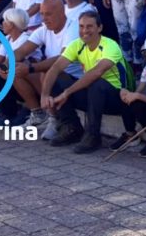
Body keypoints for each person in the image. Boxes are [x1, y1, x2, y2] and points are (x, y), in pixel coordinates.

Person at [41, 10, 137, 153]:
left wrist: (67, 93)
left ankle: (93, 136)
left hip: (119, 98)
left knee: (97, 83)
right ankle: (72, 128)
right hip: (94, 96)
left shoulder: (110, 45)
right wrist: (44, 95)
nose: (85, 31)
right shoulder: (77, 45)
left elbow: (96, 72)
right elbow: (55, 67)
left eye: (89, 26)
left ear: (99, 28)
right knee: (59, 78)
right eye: (81, 26)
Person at [9, 0, 81, 137]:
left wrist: (31, 68)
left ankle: (54, 119)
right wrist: (7, 65)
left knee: (44, 71)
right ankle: (38, 114)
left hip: (73, 79)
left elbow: (61, 58)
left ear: (61, 13)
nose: (44, 18)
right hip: (54, 77)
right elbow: (21, 51)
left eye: (48, 14)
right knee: (16, 71)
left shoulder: (73, 28)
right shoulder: (44, 29)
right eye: (41, 14)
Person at [0, 8, 40, 126]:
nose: (2, 23)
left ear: (12, 24)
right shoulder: (7, 39)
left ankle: (31, 108)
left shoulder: (26, 39)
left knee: (13, 73)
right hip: (11, 76)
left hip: (29, 80)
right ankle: (8, 112)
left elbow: (18, 62)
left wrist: (2, 69)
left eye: (5, 21)